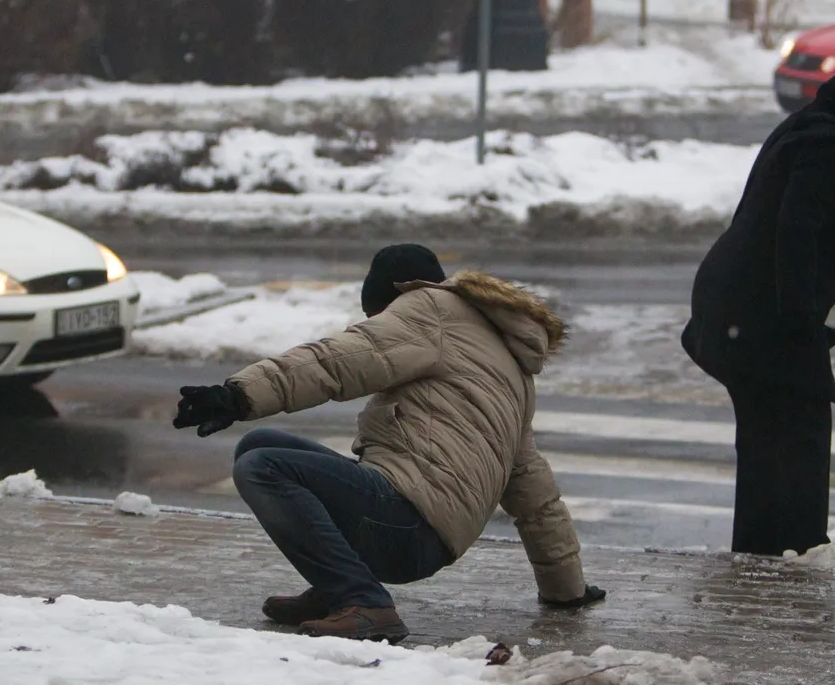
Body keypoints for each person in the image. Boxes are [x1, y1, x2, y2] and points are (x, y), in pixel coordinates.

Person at [172, 244, 606, 642]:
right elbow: (536, 495)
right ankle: (336, 587)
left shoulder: (427, 310)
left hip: (408, 525)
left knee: (263, 466)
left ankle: (365, 602)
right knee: (259, 444)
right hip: (426, 537)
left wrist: (238, 394)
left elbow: (335, 362)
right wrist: (565, 591)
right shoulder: (504, 364)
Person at [681, 51, 835, 557]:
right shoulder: (829, 148)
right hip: (758, 316)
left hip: (736, 309)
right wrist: (799, 332)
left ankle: (763, 558)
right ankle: (790, 558)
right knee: (798, 438)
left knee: (769, 443)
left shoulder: (808, 127)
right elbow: (795, 233)